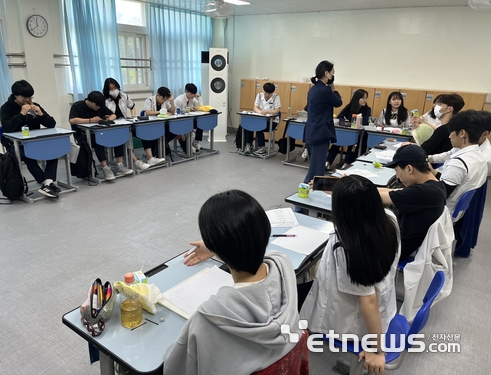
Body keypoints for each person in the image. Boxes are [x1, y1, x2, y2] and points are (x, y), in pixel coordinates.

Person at [164, 190, 300, 375]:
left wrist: (217, 246)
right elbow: (261, 251)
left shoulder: (206, 320)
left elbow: (174, 368)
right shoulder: (284, 265)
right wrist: (215, 246)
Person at [300, 175, 400, 375]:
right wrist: (344, 190)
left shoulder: (348, 247)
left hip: (356, 321)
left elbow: (369, 301)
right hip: (382, 304)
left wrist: (377, 350)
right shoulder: (389, 219)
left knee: (299, 288)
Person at [378, 145, 447, 260]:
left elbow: (377, 196)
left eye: (397, 171)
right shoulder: (437, 186)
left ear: (409, 169)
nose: (397, 177)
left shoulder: (423, 192)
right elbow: (393, 191)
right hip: (403, 240)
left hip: (394, 249)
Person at [0, 80, 60, 198]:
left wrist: (41, 114)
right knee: (29, 156)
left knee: (54, 151)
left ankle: (47, 183)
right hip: (15, 145)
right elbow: (7, 128)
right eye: (24, 97)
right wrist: (21, 114)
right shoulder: (6, 108)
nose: (28, 99)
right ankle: (46, 184)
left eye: (30, 96)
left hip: (35, 141)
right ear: (15, 95)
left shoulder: (35, 105)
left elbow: (51, 124)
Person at [427, 110, 488, 221]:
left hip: (441, 214)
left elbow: (439, 195)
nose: (449, 136)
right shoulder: (479, 156)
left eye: (451, 132)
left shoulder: (459, 163)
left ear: (462, 133)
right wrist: (431, 168)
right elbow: (451, 181)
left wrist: (427, 174)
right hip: (456, 212)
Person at [69, 91, 133, 181]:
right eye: (97, 106)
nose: (98, 108)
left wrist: (109, 120)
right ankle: (105, 168)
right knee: (98, 140)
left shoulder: (100, 106)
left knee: (118, 136)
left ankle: (120, 165)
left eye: (100, 106)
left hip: (101, 132)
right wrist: (91, 120)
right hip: (83, 135)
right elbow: (72, 120)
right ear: (90, 101)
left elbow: (113, 114)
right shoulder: (77, 106)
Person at [303, 60, 342, 183]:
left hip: (311, 130)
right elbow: (338, 102)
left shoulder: (313, 89)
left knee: (314, 167)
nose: (333, 76)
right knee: (317, 171)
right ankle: (307, 193)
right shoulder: (325, 90)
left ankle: (307, 189)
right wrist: (333, 87)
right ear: (326, 73)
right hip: (320, 132)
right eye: (332, 73)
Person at [103, 78, 152, 170]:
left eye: (115, 87)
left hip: (125, 122)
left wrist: (133, 115)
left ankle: (150, 157)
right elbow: (103, 115)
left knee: (143, 130)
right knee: (124, 135)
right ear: (107, 90)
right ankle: (135, 161)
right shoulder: (104, 100)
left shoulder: (124, 96)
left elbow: (132, 106)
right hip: (112, 126)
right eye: (111, 89)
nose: (114, 90)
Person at [325, 89, 371, 169]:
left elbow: (365, 122)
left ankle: (346, 164)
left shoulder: (367, 109)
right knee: (337, 143)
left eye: (366, 98)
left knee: (352, 144)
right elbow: (340, 116)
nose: (365, 100)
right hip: (347, 132)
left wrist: (355, 121)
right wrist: (345, 121)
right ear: (357, 98)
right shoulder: (350, 106)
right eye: (363, 98)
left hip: (358, 134)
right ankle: (327, 162)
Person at [144, 87, 186, 153]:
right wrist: (161, 112)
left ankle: (162, 146)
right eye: (163, 99)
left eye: (165, 99)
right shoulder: (149, 100)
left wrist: (172, 101)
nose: (163, 101)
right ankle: (159, 149)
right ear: (158, 95)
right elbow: (148, 112)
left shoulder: (165, 101)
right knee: (163, 132)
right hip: (151, 125)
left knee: (174, 131)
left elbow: (172, 111)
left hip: (162, 124)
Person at [242, 82, 281, 155]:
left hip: (272, 121)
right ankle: (248, 145)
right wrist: (260, 112)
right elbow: (255, 107)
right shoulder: (259, 95)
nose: (267, 95)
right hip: (260, 119)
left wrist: (268, 112)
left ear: (272, 93)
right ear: (263, 91)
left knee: (259, 128)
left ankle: (262, 148)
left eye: (269, 94)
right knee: (249, 126)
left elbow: (277, 110)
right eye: (266, 93)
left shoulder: (276, 97)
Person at [174, 83, 204, 154]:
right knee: (188, 151)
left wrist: (199, 97)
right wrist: (188, 109)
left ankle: (196, 142)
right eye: (192, 94)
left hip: (190, 120)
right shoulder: (179, 100)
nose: (193, 96)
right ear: (186, 91)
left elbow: (200, 106)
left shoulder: (192, 99)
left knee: (200, 124)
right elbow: (176, 113)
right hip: (180, 121)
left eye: (194, 94)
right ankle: (187, 145)